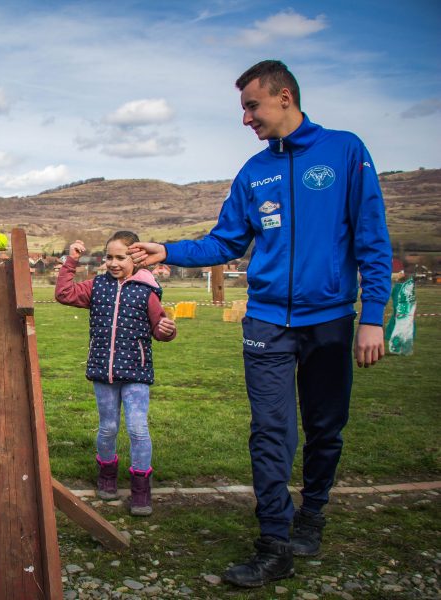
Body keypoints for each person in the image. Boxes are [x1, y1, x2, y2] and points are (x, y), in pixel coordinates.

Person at [130, 60, 391, 587]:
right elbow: (226, 240)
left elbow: (371, 238)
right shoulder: (253, 172)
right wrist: (170, 249)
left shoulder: (344, 151)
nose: (245, 117)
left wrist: (373, 317)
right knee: (271, 432)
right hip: (267, 320)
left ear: (285, 97)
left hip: (333, 319)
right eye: (244, 107)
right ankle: (274, 542)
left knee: (324, 427)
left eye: (252, 105)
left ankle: (311, 515)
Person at [55, 231, 177, 516]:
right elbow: (63, 293)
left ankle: (140, 490)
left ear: (135, 257)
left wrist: (167, 331)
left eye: (120, 257)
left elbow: (160, 329)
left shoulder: (147, 291)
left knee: (137, 429)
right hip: (103, 372)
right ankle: (107, 477)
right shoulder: (97, 286)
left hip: (136, 372)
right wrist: (71, 260)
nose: (113, 263)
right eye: (108, 257)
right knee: (108, 428)